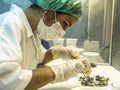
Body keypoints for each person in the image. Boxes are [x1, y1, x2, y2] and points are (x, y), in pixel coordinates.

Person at [0, 0, 92, 90]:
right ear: (48, 10)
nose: (63, 31)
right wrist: (60, 72)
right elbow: (7, 81)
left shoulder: (33, 30)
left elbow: (39, 58)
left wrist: (60, 52)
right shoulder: (7, 25)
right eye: (65, 23)